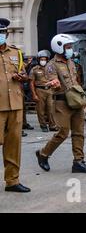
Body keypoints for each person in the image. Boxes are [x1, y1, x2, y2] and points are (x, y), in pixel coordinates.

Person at [35, 34, 86, 174]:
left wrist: (82, 99)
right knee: (63, 132)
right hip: (61, 102)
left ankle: (78, 162)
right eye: (68, 47)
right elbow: (52, 81)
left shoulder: (71, 62)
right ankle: (43, 154)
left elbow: (75, 82)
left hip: (75, 102)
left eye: (70, 47)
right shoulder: (51, 65)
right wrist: (54, 83)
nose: (70, 50)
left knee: (79, 132)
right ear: (59, 47)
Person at [0, 18, 30, 193]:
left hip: (16, 104)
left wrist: (22, 77)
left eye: (2, 33)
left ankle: (12, 181)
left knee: (14, 144)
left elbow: (24, 73)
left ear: (7, 34)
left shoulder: (16, 53)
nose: (1, 36)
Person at [30, 50, 57, 132]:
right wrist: (34, 94)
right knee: (40, 110)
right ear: (38, 60)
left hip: (49, 90)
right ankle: (43, 125)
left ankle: (52, 125)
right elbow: (31, 83)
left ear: (47, 60)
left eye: (44, 59)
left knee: (51, 109)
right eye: (41, 59)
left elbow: (55, 78)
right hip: (39, 90)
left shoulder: (50, 69)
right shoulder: (34, 69)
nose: (43, 61)